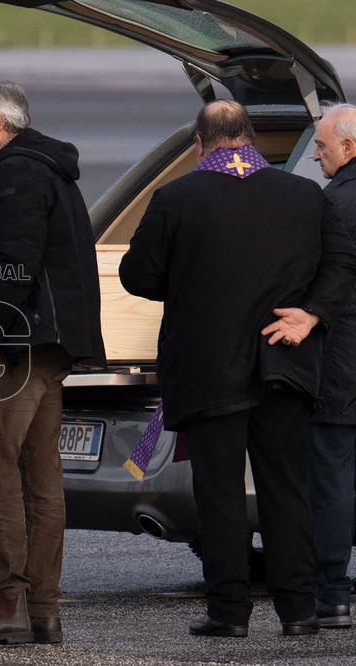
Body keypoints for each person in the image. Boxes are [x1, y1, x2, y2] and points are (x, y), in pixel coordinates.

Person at [119, 100, 356, 637]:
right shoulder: (303, 196)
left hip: (209, 369)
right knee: (286, 491)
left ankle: (229, 612)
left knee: (220, 494)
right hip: (286, 364)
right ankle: (298, 611)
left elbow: (138, 276)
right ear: (248, 137)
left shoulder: (176, 199)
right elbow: (343, 263)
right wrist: (311, 315)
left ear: (201, 144)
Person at [0, 81, 106, 646]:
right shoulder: (48, 167)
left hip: (25, 341)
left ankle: (8, 602)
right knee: (40, 477)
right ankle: (44, 610)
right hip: (54, 343)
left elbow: (15, 261)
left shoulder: (15, 171)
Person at [309, 102, 356, 629]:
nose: (316, 154)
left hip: (339, 362)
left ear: (350, 148)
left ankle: (334, 593)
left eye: (322, 146)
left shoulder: (333, 205)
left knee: (331, 483)